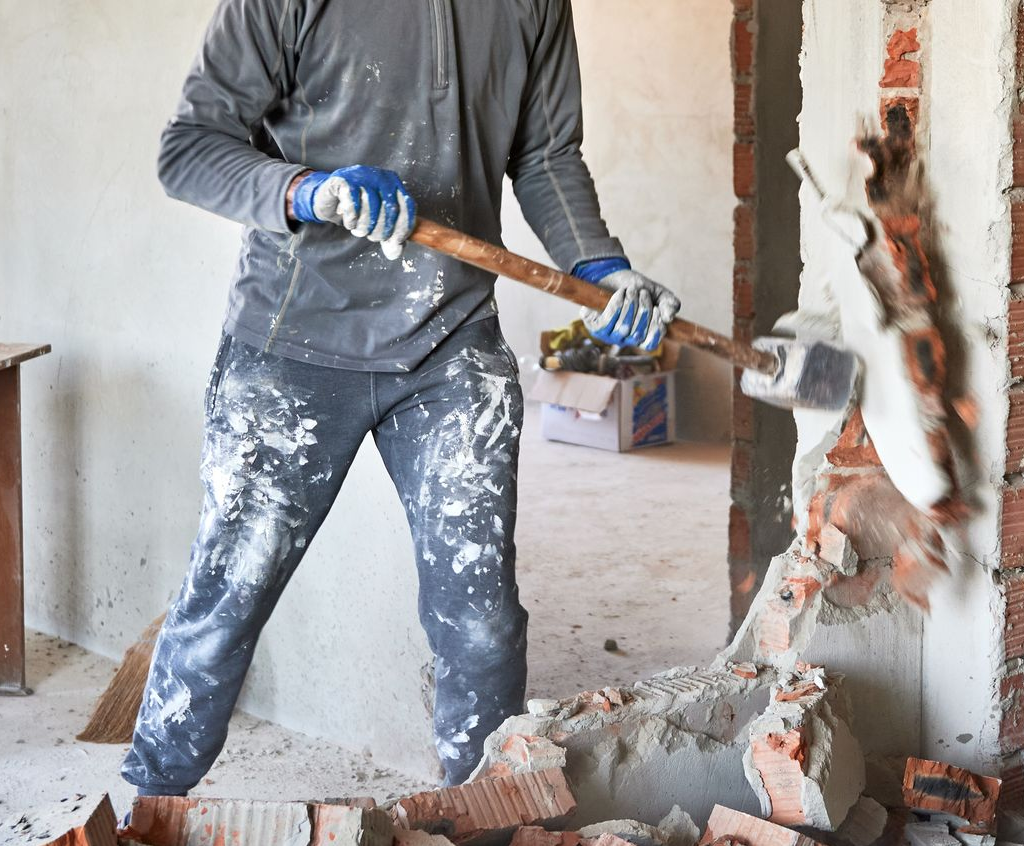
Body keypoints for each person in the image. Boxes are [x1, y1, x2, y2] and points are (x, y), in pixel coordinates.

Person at [122, 0, 679, 796]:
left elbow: (546, 153)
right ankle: (149, 813)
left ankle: (487, 817)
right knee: (226, 601)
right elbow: (189, 149)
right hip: (293, 345)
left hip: (452, 342)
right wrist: (308, 190)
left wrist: (597, 263)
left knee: (480, 617)